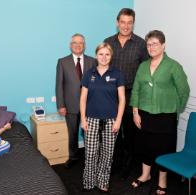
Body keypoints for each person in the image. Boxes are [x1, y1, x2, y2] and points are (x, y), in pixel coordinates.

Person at [130, 30, 190, 195]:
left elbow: (184, 91)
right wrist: (135, 112)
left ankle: (162, 181)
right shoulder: (142, 66)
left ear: (163, 45)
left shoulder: (173, 66)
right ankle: (145, 175)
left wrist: (174, 109)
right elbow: (135, 90)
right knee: (144, 146)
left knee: (164, 149)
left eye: (155, 43)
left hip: (165, 117)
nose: (151, 47)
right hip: (144, 115)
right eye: (149, 44)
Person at [103, 8, 149, 177]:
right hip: (111, 94)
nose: (126, 26)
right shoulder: (108, 42)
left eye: (129, 22)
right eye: (123, 22)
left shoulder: (141, 44)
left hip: (131, 95)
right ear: (117, 22)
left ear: (133, 23)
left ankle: (127, 167)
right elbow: (102, 67)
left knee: (130, 133)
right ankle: (113, 163)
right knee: (112, 132)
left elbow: (146, 71)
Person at [80, 43, 125, 192]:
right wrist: (83, 119)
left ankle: (103, 181)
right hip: (91, 119)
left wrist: (118, 120)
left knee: (107, 154)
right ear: (96, 55)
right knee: (91, 153)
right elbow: (83, 99)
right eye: (101, 54)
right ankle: (88, 181)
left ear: (111, 56)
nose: (104, 57)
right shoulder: (88, 74)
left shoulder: (117, 74)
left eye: (107, 54)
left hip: (111, 120)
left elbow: (122, 100)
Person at [56, 33, 95, 168]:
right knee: (72, 133)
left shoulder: (92, 61)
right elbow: (59, 85)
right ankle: (72, 157)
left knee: (88, 133)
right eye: (75, 43)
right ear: (70, 45)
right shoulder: (62, 62)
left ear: (84, 46)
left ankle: (89, 157)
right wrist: (61, 105)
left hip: (89, 106)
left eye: (81, 43)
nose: (78, 45)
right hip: (70, 105)